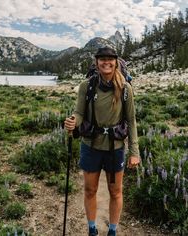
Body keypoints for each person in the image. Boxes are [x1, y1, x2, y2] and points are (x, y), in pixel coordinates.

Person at [64, 47, 140, 236]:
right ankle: (92, 229)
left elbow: (131, 120)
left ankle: (112, 230)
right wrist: (74, 122)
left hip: (116, 148)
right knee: (90, 189)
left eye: (110, 59)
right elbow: (80, 112)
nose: (106, 62)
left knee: (115, 192)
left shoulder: (125, 88)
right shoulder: (86, 86)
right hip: (91, 145)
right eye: (102, 59)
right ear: (96, 62)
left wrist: (134, 152)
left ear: (116, 62)